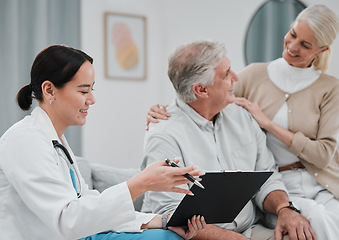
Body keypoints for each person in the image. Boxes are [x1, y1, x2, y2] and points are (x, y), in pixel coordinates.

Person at [145, 4, 339, 240]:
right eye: (227, 74)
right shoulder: (165, 136)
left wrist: (284, 208)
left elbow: (267, 174)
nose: (236, 78)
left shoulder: (240, 116)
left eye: (305, 44)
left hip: (251, 228)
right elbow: (168, 215)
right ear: (201, 89)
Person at [0, 45, 207, 240]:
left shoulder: (55, 140)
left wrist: (161, 220)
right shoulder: (24, 141)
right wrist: (141, 183)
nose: (91, 99)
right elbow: (67, 220)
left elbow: (87, 206)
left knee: (169, 234)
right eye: (83, 91)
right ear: (49, 90)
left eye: (92, 90)